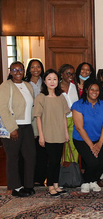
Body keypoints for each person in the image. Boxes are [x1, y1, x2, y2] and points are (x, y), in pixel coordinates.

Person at [0, 61, 36, 197]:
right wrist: (12, 128)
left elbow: (31, 109)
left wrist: (34, 130)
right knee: (13, 157)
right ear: (10, 72)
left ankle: (28, 185)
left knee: (30, 156)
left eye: (20, 69)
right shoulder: (5, 86)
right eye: (14, 70)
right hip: (14, 126)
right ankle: (15, 187)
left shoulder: (28, 86)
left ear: (24, 71)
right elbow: (2, 109)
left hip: (27, 126)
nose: (17, 72)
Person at [33, 69, 70, 196]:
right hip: (47, 134)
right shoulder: (41, 97)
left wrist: (66, 133)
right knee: (51, 162)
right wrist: (41, 136)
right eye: (49, 79)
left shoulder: (61, 97)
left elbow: (64, 116)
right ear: (44, 81)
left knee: (57, 161)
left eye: (54, 79)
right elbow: (38, 117)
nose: (52, 81)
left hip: (59, 133)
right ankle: (50, 186)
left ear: (58, 81)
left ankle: (56, 184)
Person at [72, 79, 103, 193]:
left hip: (98, 138)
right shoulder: (78, 105)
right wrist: (92, 146)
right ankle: (86, 181)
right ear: (87, 90)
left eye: (97, 90)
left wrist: (100, 143)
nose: (95, 92)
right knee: (93, 162)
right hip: (81, 139)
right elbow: (79, 128)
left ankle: (93, 180)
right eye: (92, 89)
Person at [23, 59, 46, 187]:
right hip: (29, 120)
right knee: (31, 151)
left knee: (43, 152)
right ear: (29, 69)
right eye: (33, 67)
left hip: (44, 120)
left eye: (38, 67)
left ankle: (41, 177)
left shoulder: (46, 82)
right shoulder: (25, 83)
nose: (36, 69)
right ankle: (29, 178)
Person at [58, 64, 80, 163]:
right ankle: (62, 170)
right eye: (68, 73)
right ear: (62, 74)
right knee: (61, 146)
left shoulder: (74, 87)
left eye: (72, 74)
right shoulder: (55, 87)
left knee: (73, 145)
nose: (70, 76)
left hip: (74, 119)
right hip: (60, 120)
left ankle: (72, 168)